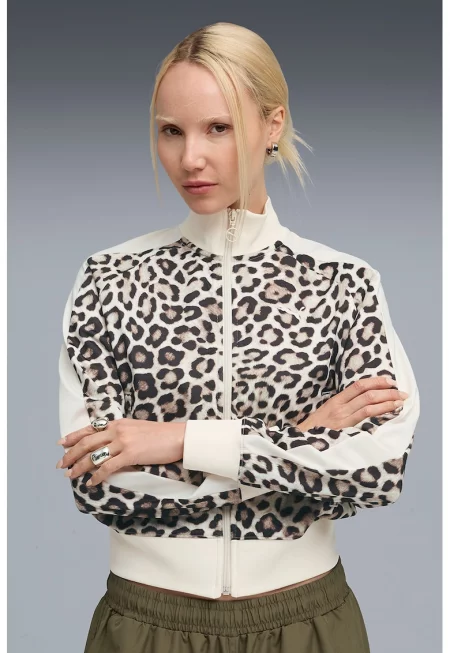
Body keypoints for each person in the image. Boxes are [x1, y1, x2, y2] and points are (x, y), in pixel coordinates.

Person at [56, 21, 420, 653]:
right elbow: (101, 484)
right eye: (172, 131)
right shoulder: (109, 279)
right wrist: (302, 439)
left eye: (218, 128)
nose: (190, 158)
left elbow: (377, 470)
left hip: (309, 623)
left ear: (272, 125)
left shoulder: (342, 283)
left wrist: (176, 440)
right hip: (146, 624)